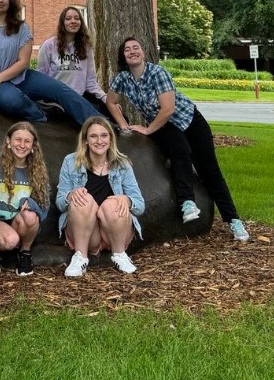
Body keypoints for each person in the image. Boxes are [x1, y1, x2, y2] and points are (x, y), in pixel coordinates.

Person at [106, 37, 250, 241]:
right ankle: (187, 203)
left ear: (143, 52)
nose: (132, 52)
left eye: (135, 48)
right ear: (123, 56)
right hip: (163, 125)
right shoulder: (122, 78)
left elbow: (168, 108)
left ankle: (234, 221)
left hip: (189, 120)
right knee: (180, 151)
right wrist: (123, 125)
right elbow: (110, 101)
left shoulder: (157, 73)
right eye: (127, 50)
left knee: (210, 171)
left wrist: (147, 130)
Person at [0, 0, 100, 126]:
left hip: (23, 77)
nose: (0, 0)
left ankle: (98, 123)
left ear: (11, 1)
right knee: (14, 101)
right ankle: (43, 116)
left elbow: (23, 61)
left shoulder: (22, 28)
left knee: (60, 89)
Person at [56, 116, 145, 277]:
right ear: (85, 141)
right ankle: (80, 258)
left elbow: (140, 205)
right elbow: (60, 203)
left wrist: (127, 200)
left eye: (104, 135)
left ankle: (120, 255)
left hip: (115, 231)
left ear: (110, 139)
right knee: (83, 199)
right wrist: (70, 195)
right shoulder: (70, 162)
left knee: (113, 203)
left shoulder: (122, 164)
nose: (99, 141)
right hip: (87, 233)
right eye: (93, 136)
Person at [0, 122, 48, 277]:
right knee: (10, 240)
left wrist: (31, 204)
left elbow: (44, 205)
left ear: (33, 145)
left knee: (30, 215)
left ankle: (25, 254)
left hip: (19, 221)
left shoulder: (37, 170)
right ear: (8, 141)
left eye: (27, 141)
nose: (22, 145)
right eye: (17, 139)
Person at [36, 6, 109, 114]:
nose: (73, 21)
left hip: (79, 98)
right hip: (56, 100)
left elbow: (91, 82)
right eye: (68, 18)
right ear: (62, 22)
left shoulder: (86, 47)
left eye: (77, 18)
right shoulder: (48, 46)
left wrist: (105, 98)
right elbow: (40, 78)